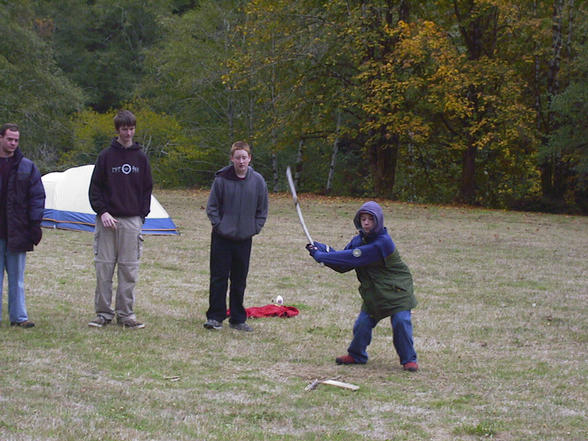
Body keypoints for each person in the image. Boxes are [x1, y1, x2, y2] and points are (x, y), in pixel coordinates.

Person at [306, 201, 419, 372]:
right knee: (362, 324)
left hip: (397, 291)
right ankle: (357, 355)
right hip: (374, 293)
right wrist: (320, 248)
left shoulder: (382, 243)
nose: (366, 223)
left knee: (401, 322)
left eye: (370, 219)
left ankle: (409, 360)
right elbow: (342, 264)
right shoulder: (358, 241)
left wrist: (320, 255)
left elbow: (353, 257)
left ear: (378, 221)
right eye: (363, 219)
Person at [88, 110, 153, 329]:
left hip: (132, 222)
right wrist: (103, 212)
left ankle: (126, 315)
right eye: (124, 129)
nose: (128, 133)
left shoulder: (141, 158)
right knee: (104, 270)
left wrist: (141, 216)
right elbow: (95, 189)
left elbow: (147, 189)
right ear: (117, 130)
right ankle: (103, 314)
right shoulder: (105, 156)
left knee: (129, 270)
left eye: (131, 129)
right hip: (107, 222)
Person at [204, 141, 268, 332]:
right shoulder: (221, 179)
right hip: (222, 238)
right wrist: (219, 225)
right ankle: (215, 317)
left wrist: (254, 228)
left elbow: (262, 209)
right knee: (219, 278)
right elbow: (212, 207)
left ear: (249, 159)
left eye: (244, 157)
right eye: (238, 157)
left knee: (239, 280)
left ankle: (238, 318)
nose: (241, 161)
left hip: (244, 239)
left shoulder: (258, 181)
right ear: (232, 159)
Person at [0, 123, 45, 328]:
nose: (13, 143)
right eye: (9, 139)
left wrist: (35, 225)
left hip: (17, 231)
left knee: (17, 278)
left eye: (16, 140)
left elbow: (37, 197)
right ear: (1, 138)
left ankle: (18, 317)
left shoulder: (27, 167)